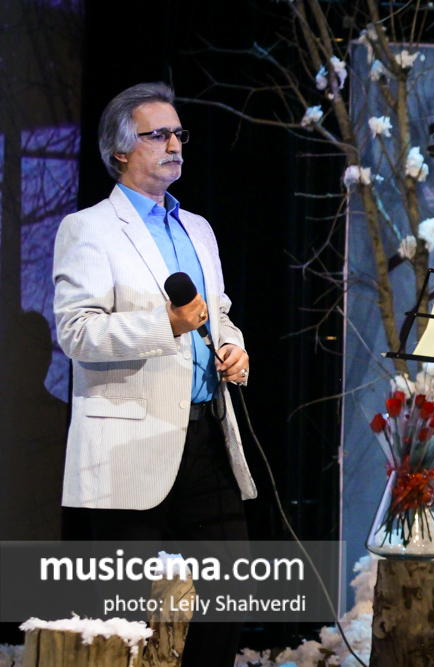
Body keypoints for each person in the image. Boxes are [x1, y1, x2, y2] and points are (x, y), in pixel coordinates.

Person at [53, 82, 256, 666]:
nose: (174, 145)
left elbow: (217, 313)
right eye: (158, 135)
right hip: (129, 442)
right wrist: (164, 324)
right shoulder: (89, 228)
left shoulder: (198, 228)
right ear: (120, 151)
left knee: (231, 591)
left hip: (206, 433)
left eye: (178, 134)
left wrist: (234, 347)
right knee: (122, 619)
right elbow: (77, 333)